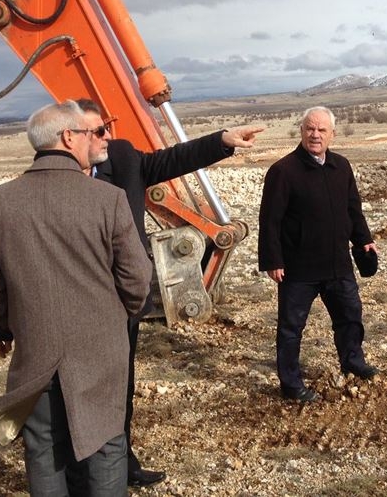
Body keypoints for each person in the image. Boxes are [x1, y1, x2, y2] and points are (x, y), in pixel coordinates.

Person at [0, 100, 153, 496]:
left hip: (34, 347)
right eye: (92, 133)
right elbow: (138, 278)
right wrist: (117, 316)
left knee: (43, 450)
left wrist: (6, 326)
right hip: (101, 347)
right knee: (106, 445)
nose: (98, 139)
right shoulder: (108, 200)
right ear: (68, 137)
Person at [80, 98, 263, 487]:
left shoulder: (124, 159)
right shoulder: (55, 178)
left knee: (121, 386)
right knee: (77, 391)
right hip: (77, 304)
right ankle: (80, 469)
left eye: (106, 128)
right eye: (98, 131)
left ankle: (120, 462)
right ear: (70, 135)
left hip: (121, 302)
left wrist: (222, 142)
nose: (107, 137)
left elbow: (171, 160)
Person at [258, 106, 378, 403]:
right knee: (291, 329)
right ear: (301, 132)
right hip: (298, 268)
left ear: (332, 134)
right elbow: (270, 220)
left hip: (338, 263)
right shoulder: (283, 171)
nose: (315, 134)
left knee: (350, 317)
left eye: (322, 130)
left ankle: (352, 361)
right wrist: (273, 260)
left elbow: (353, 210)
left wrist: (365, 241)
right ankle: (291, 384)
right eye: (310, 129)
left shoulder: (342, 167)